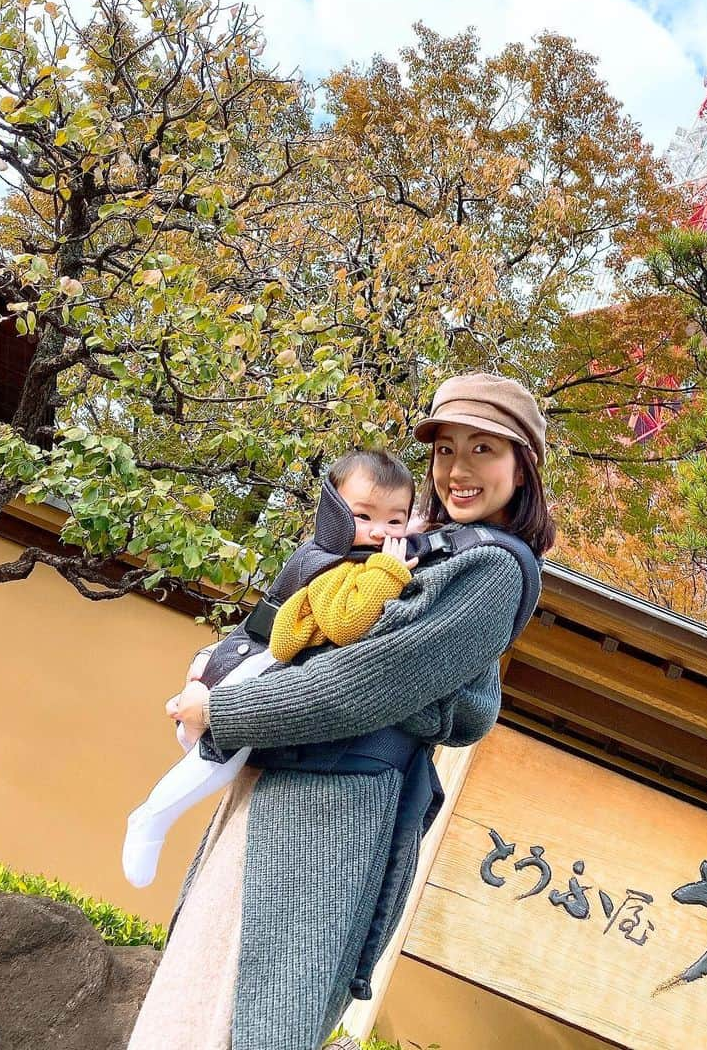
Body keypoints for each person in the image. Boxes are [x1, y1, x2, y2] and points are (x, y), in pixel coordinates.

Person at [127, 372, 555, 1050]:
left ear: (522, 467)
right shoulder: (423, 548)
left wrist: (224, 709)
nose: (458, 470)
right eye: (446, 450)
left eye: (483, 450)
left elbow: (365, 682)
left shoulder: (494, 570)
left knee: (246, 1013)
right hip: (285, 780)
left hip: (333, 807)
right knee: (201, 989)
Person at [122, 449, 418, 889]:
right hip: (259, 668)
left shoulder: (334, 555)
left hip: (250, 655)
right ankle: (150, 819)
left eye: (396, 521)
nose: (380, 532)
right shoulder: (341, 565)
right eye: (363, 515)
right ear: (334, 511)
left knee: (216, 753)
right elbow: (345, 621)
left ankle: (178, 743)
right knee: (220, 757)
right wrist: (388, 574)